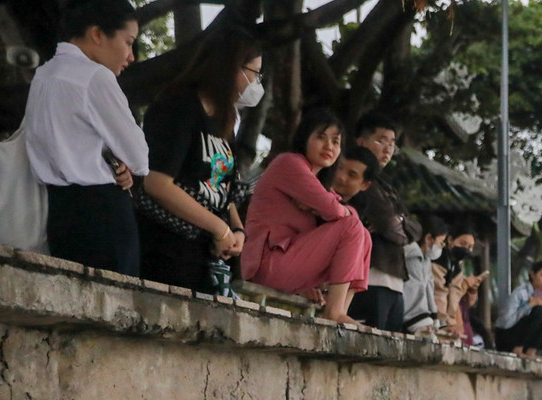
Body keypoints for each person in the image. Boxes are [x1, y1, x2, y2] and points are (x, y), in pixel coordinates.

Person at [23, 0, 148, 276]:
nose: (131, 56)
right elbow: (139, 159)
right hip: (103, 214)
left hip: (58, 214)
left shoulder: (43, 76)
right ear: (97, 34)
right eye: (128, 42)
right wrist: (127, 163)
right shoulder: (95, 77)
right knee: (115, 310)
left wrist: (114, 161)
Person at [136, 24, 260, 294]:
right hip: (166, 249)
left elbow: (221, 186)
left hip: (204, 255)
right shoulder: (178, 107)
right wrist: (219, 228)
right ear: (231, 68)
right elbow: (157, 182)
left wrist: (236, 231)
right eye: (254, 74)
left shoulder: (225, 120)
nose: (256, 84)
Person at [240, 109, 372, 324]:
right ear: (304, 138)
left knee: (364, 235)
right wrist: (329, 207)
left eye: (336, 142)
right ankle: (334, 311)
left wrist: (329, 207)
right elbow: (336, 211)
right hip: (266, 264)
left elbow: (342, 211)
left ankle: (339, 308)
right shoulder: (289, 163)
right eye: (321, 137)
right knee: (352, 227)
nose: (329, 146)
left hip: (287, 262)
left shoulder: (316, 182)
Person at [347, 112, 420, 332]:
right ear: (361, 141)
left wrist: (398, 221)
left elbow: (414, 230)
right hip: (369, 278)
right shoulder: (360, 184)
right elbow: (390, 226)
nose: (387, 149)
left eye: (392, 144)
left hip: (395, 282)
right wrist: (399, 222)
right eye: (380, 141)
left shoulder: (386, 186)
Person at [432, 229, 485, 342]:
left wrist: (453, 324)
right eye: (463, 244)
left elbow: (454, 298)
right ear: (450, 240)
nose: (467, 249)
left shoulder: (456, 268)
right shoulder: (439, 260)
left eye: (470, 247)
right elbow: (438, 294)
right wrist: (445, 324)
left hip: (448, 326)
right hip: (434, 321)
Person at [403, 215, 447, 334]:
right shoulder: (412, 257)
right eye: (441, 242)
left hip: (422, 319)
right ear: (428, 238)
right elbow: (413, 290)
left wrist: (434, 319)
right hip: (410, 319)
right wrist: (422, 321)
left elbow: (428, 290)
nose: (441, 247)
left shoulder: (426, 261)